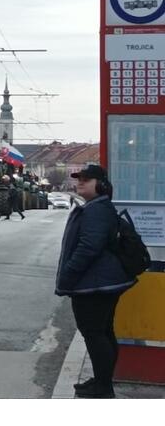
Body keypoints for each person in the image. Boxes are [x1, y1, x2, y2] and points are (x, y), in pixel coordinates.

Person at [55, 164, 136, 398]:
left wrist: (68, 275)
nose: (80, 182)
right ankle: (102, 381)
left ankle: (103, 387)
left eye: (86, 179)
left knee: (94, 333)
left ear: (100, 185)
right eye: (79, 178)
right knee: (103, 332)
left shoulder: (96, 210)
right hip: (102, 282)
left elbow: (89, 247)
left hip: (94, 285)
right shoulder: (97, 207)